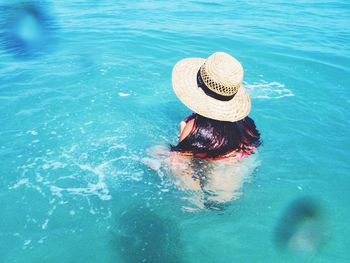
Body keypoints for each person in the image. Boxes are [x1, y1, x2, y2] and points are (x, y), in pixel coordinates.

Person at [171, 51, 261, 161]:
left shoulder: (194, 127)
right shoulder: (247, 125)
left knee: (156, 151)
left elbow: (179, 164)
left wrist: (183, 133)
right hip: (241, 159)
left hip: (207, 159)